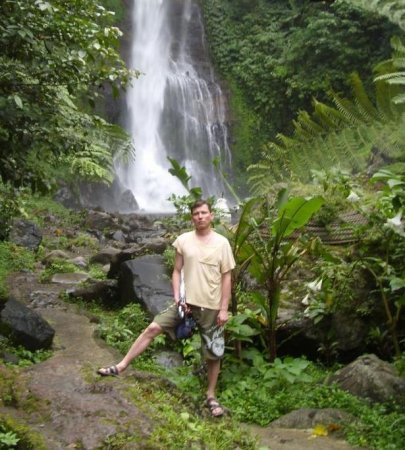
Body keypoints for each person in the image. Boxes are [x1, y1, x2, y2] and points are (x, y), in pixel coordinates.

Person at [97, 199, 236, 417]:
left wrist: (224, 309)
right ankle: (121, 366)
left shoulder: (222, 243)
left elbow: (227, 276)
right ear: (192, 217)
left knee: (213, 353)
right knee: (153, 328)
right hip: (185, 304)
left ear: (211, 215)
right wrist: (177, 296)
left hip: (211, 305)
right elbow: (177, 270)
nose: (200, 217)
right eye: (196, 213)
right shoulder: (183, 240)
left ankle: (211, 395)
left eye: (203, 213)